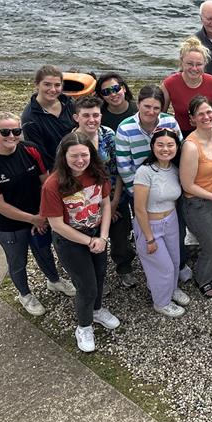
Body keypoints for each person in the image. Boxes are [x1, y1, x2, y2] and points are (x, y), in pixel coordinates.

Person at [0, 112, 75, 316]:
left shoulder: (30, 149)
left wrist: (43, 213)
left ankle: (54, 280)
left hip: (39, 215)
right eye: (5, 131)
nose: (12, 136)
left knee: (44, 251)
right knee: (17, 262)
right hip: (9, 226)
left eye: (16, 131)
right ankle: (24, 294)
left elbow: (46, 182)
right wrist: (33, 219)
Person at [40, 132, 118, 353]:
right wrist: (91, 240)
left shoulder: (98, 174)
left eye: (84, 155)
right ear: (63, 156)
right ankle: (84, 327)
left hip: (96, 235)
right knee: (86, 285)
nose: (80, 160)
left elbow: (105, 204)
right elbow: (56, 225)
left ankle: (96, 310)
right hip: (71, 241)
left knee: (100, 274)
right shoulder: (53, 185)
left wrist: (102, 237)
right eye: (74, 156)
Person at [115, 86, 192, 282]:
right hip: (141, 189)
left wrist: (179, 186)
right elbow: (124, 166)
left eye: (156, 108)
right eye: (146, 106)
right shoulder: (125, 128)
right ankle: (156, 272)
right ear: (138, 104)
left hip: (171, 187)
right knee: (147, 231)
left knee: (177, 229)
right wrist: (141, 194)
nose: (151, 112)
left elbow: (179, 152)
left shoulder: (169, 122)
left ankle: (179, 263)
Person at [72, 96, 136, 286]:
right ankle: (93, 276)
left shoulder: (108, 134)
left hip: (115, 197)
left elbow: (119, 169)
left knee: (120, 237)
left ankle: (124, 267)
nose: (92, 120)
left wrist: (114, 202)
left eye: (96, 115)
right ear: (77, 117)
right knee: (90, 240)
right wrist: (98, 209)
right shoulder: (70, 142)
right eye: (86, 116)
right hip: (87, 204)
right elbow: (70, 180)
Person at [132, 128, 190, 317]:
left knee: (173, 261)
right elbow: (139, 208)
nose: (165, 149)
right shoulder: (144, 172)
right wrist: (149, 238)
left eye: (170, 145)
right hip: (151, 225)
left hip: (171, 221)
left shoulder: (174, 169)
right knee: (162, 267)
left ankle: (171, 290)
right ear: (152, 146)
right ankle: (161, 302)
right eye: (160, 144)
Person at [180, 97, 212, 298]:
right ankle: (203, 278)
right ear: (192, 119)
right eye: (200, 114)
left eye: (209, 112)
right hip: (198, 202)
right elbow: (188, 185)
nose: (206, 117)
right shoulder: (190, 147)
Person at [162, 36, 212, 136]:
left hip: (207, 131)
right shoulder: (169, 84)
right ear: (181, 63)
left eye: (199, 64)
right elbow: (160, 113)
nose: (194, 68)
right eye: (189, 64)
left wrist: (206, 119)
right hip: (180, 132)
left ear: (205, 64)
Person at [21, 65, 76, 169]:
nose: (53, 89)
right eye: (47, 84)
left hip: (78, 161)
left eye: (57, 85)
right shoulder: (30, 119)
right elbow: (40, 157)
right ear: (37, 85)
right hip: (55, 169)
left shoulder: (69, 103)